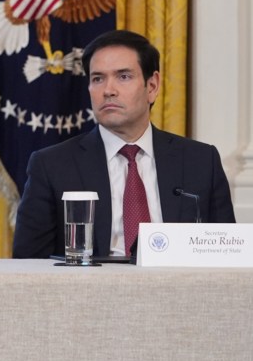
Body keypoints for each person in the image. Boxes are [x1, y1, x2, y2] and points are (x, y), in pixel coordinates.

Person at [13, 29, 235, 259]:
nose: (108, 90)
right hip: (89, 291)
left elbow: (228, 255)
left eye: (123, 76)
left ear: (152, 87)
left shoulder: (200, 161)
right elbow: (28, 264)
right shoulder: (52, 165)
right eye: (97, 78)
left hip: (178, 290)